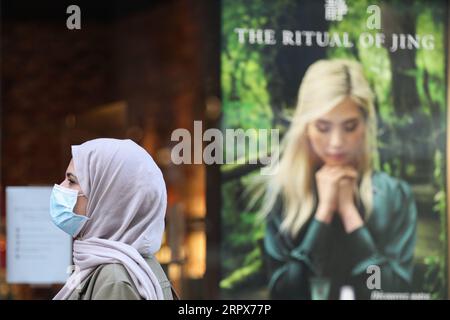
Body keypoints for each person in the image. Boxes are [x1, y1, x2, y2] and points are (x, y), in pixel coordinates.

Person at [257, 59, 417, 299]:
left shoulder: (395, 195)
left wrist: (350, 214)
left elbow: (394, 292)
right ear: (306, 127)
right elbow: (283, 293)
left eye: (350, 126)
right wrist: (323, 213)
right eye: (323, 127)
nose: (336, 143)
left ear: (366, 125)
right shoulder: (284, 193)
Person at [49, 138, 176, 300]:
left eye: (72, 181)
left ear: (107, 198)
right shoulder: (135, 265)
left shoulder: (114, 281)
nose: (61, 186)